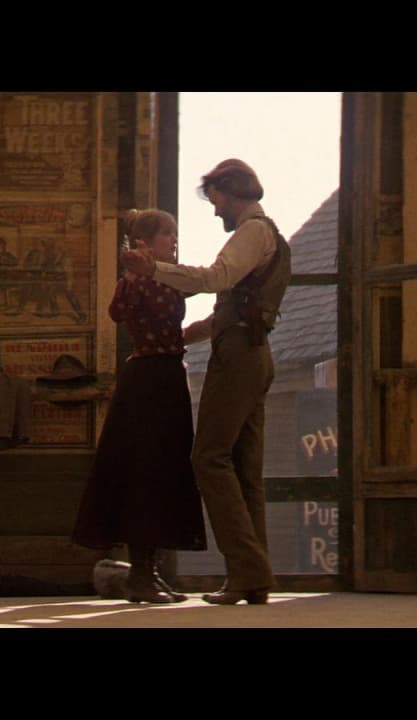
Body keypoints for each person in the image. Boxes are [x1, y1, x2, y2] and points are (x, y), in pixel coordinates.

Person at [121, 159, 291, 605]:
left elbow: (215, 279)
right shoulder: (265, 236)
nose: (216, 212)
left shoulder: (252, 233)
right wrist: (173, 338)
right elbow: (223, 315)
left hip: (239, 357)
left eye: (217, 201)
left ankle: (247, 570)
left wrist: (153, 269)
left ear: (234, 193)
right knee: (245, 469)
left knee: (209, 459)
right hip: (252, 352)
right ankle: (253, 577)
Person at [71, 208, 206, 604]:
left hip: (166, 376)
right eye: (167, 235)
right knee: (145, 472)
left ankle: (149, 571)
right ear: (146, 242)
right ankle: (141, 575)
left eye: (175, 234)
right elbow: (118, 311)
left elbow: (200, 288)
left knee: (164, 471)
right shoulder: (137, 282)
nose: (174, 241)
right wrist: (134, 272)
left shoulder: (169, 278)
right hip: (148, 380)